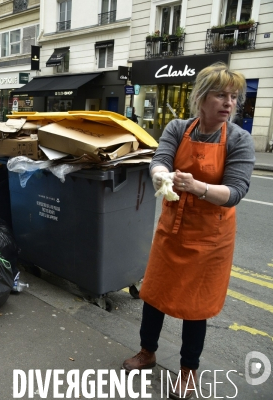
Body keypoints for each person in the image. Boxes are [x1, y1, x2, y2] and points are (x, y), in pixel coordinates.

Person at [122, 62, 255, 399]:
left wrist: (198, 187)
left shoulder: (239, 139)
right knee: (154, 295)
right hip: (174, 229)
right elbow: (160, 159)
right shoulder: (179, 128)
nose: (229, 103)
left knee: (197, 307)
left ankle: (187, 370)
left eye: (234, 97)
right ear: (201, 97)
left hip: (212, 237)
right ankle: (147, 352)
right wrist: (160, 176)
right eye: (221, 95)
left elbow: (235, 191)